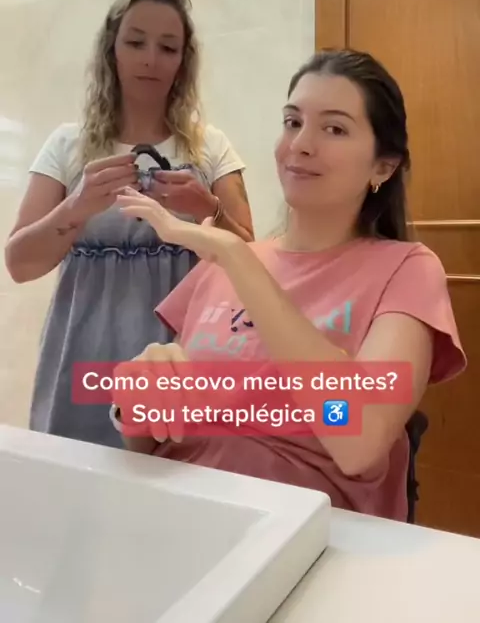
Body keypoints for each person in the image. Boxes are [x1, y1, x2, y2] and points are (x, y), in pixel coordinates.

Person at [109, 47, 467, 521]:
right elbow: (155, 442)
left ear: (383, 166)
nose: (300, 144)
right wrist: (137, 402)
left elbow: (358, 439)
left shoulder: (407, 270)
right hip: (180, 518)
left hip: (306, 537)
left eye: (334, 129)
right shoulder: (222, 266)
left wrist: (236, 255)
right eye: (293, 122)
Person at [5, 0, 254, 449]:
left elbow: (252, 262)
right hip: (83, 346)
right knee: (80, 475)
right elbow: (19, 263)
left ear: (183, 62)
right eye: (136, 42)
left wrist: (208, 210)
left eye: (168, 48)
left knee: (177, 473)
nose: (150, 59)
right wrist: (77, 207)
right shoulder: (67, 145)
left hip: (183, 351)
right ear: (111, 50)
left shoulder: (210, 147)